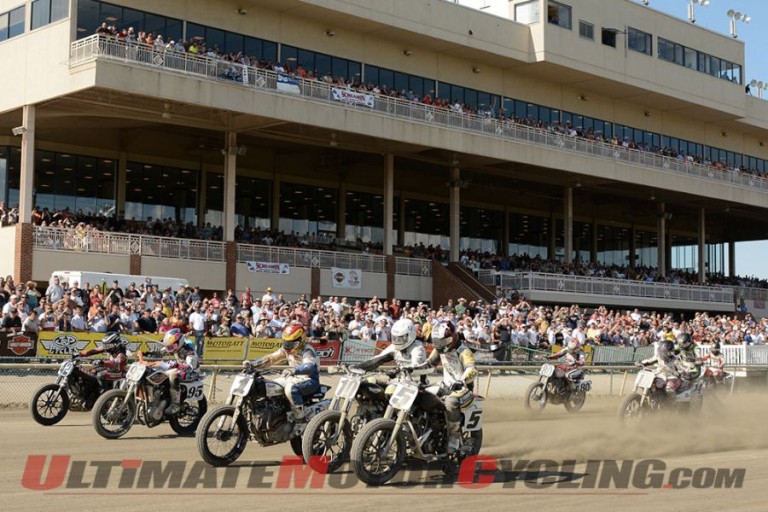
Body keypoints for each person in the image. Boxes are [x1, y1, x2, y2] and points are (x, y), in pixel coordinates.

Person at [242, 323, 320, 420]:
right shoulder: (287, 349)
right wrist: (253, 364)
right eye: (285, 343)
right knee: (269, 385)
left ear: (301, 340)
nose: (287, 347)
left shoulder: (307, 350)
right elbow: (271, 358)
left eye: (291, 344)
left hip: (309, 379)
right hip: (292, 377)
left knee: (290, 388)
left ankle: (300, 417)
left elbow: (309, 367)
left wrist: (294, 370)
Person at [427, 321, 477, 453]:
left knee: (450, 402)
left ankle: (454, 436)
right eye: (437, 342)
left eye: (442, 341)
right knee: (422, 393)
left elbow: (472, 370)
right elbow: (429, 364)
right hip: (446, 386)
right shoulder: (440, 349)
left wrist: (461, 381)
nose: (439, 345)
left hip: (463, 389)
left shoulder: (464, 351)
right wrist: (411, 369)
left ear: (452, 338)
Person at [138, 328, 199, 414]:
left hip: (192, 373)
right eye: (167, 346)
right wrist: (145, 353)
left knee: (174, 374)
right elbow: (159, 353)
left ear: (179, 343)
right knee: (155, 372)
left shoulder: (189, 352)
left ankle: (176, 404)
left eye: (170, 347)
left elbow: (189, 368)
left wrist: (175, 364)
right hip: (180, 369)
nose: (168, 349)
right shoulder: (173, 346)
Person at [354, 318, 428, 380]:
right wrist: (358, 367)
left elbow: (417, 366)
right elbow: (377, 359)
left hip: (416, 383)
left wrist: (397, 370)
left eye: (401, 338)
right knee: (371, 382)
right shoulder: (394, 347)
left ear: (410, 335)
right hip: (399, 379)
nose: (398, 341)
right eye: (395, 338)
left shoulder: (418, 348)